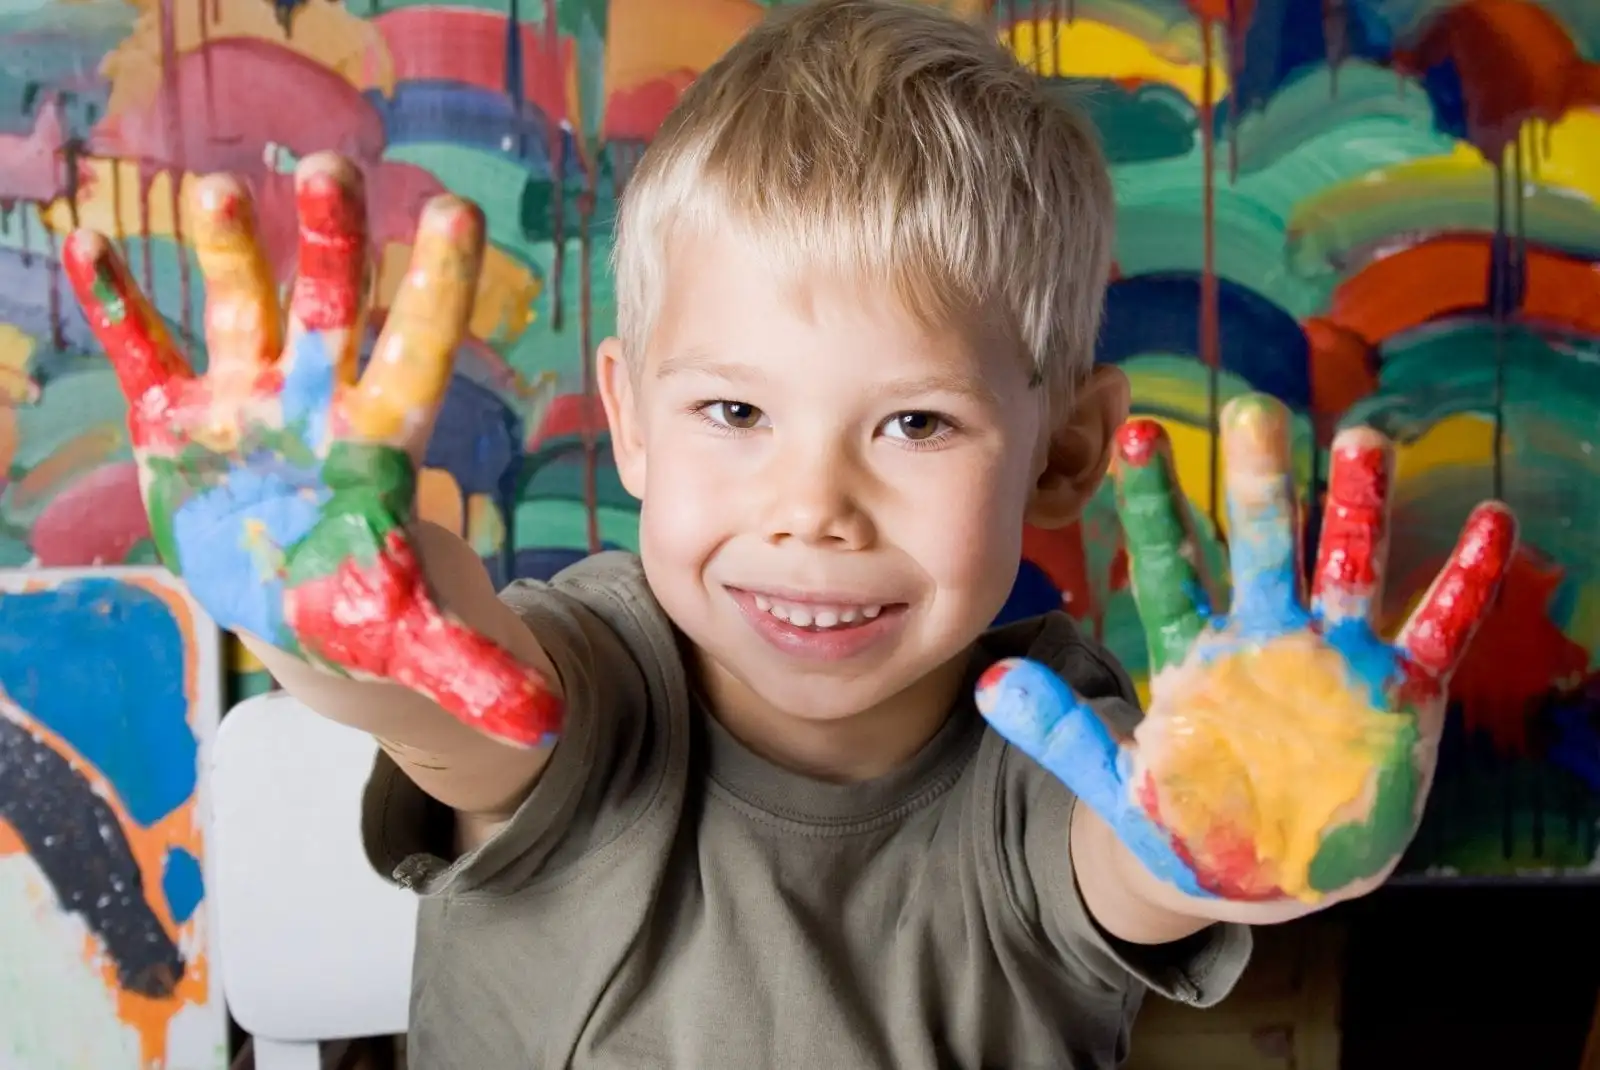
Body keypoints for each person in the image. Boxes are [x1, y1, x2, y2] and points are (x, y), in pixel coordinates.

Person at [62, 0, 1515, 1066]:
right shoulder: (600, 679)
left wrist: (1230, 837)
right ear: (630, 419)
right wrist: (334, 627)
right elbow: (457, 709)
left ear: (1066, 448)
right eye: (735, 414)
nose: (811, 509)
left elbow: (1128, 864)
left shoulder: (1055, 745)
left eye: (914, 425)